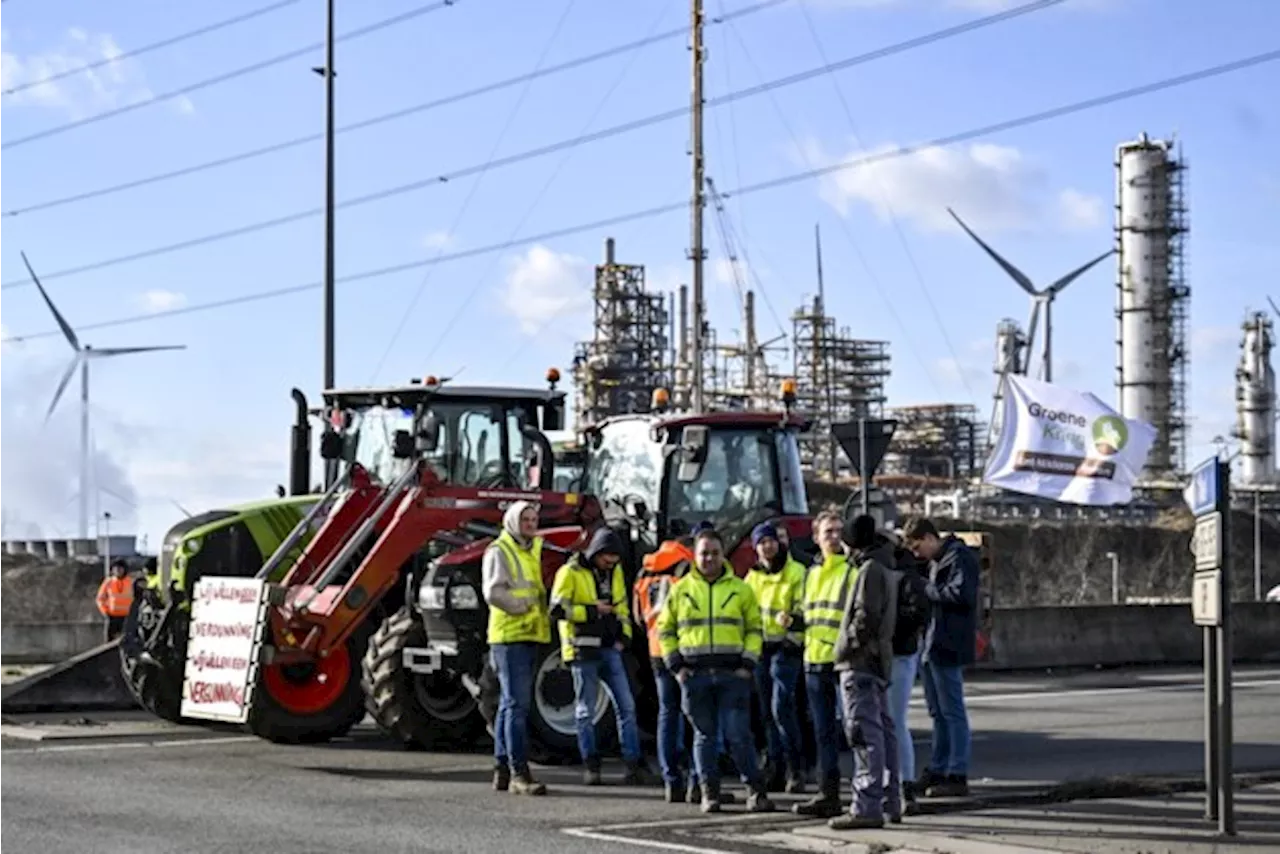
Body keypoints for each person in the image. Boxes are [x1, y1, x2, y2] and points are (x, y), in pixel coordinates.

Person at [658, 527, 775, 814]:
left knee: (739, 736)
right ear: (694, 556)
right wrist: (676, 667)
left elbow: (754, 629)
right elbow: (665, 630)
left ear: (723, 555)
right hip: (695, 676)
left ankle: (755, 791)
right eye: (703, 553)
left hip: (732, 675)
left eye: (714, 553)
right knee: (704, 737)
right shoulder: (681, 590)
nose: (709, 558)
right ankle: (710, 793)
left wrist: (747, 664)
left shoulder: (741, 589)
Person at [549, 527, 654, 785]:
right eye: (608, 557)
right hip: (582, 649)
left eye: (615, 558)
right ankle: (591, 765)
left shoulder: (614, 572)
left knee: (626, 707)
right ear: (596, 552)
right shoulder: (570, 573)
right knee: (585, 710)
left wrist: (625, 637)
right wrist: (592, 611)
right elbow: (557, 610)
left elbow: (621, 608)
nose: (612, 563)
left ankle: (633, 764)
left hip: (610, 648)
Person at [900, 516, 980, 799]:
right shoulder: (939, 561)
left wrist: (926, 589)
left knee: (952, 712)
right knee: (938, 712)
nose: (917, 554)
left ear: (930, 538)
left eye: (918, 547)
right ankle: (939, 767)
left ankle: (956, 772)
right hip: (933, 642)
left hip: (947, 641)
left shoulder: (959, 558)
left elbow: (961, 594)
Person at [829, 515, 901, 830]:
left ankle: (866, 804)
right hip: (876, 662)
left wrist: (846, 647)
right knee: (883, 732)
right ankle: (888, 798)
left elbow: (865, 617)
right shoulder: (884, 565)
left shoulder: (868, 570)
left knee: (862, 733)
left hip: (860, 663)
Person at [483, 500, 552, 796]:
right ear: (512, 521)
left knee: (508, 705)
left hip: (529, 634)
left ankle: (502, 769)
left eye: (534, 519)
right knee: (516, 706)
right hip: (509, 636)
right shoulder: (500, 550)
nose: (531, 525)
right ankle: (519, 773)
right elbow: (493, 591)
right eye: (525, 520)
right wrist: (521, 606)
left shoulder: (529, 548)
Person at [793, 509, 855, 818]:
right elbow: (810, 614)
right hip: (814, 660)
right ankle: (827, 793)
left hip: (842, 661)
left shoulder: (851, 571)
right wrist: (794, 621)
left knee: (855, 730)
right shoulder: (812, 574)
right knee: (823, 732)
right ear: (816, 538)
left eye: (838, 531)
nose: (833, 537)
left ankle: (863, 792)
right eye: (827, 532)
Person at [744, 521, 807, 794]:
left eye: (770, 540)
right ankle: (776, 768)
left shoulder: (796, 572)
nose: (767, 546)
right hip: (762, 650)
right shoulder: (752, 577)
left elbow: (803, 608)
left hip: (786, 648)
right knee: (767, 713)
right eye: (761, 542)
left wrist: (791, 623)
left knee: (782, 708)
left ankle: (796, 769)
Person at [883, 528, 930, 814]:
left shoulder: (904, 575)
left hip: (899, 653)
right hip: (892, 652)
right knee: (888, 723)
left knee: (894, 721)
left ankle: (904, 783)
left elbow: (916, 613)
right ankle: (898, 784)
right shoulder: (898, 572)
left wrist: (889, 626)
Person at [96, 560, 134, 641]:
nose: (118, 571)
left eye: (120, 568)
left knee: (127, 641)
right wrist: (105, 612)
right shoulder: (108, 582)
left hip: (127, 618)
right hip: (112, 617)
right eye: (115, 569)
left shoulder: (131, 582)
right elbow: (100, 598)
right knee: (109, 642)